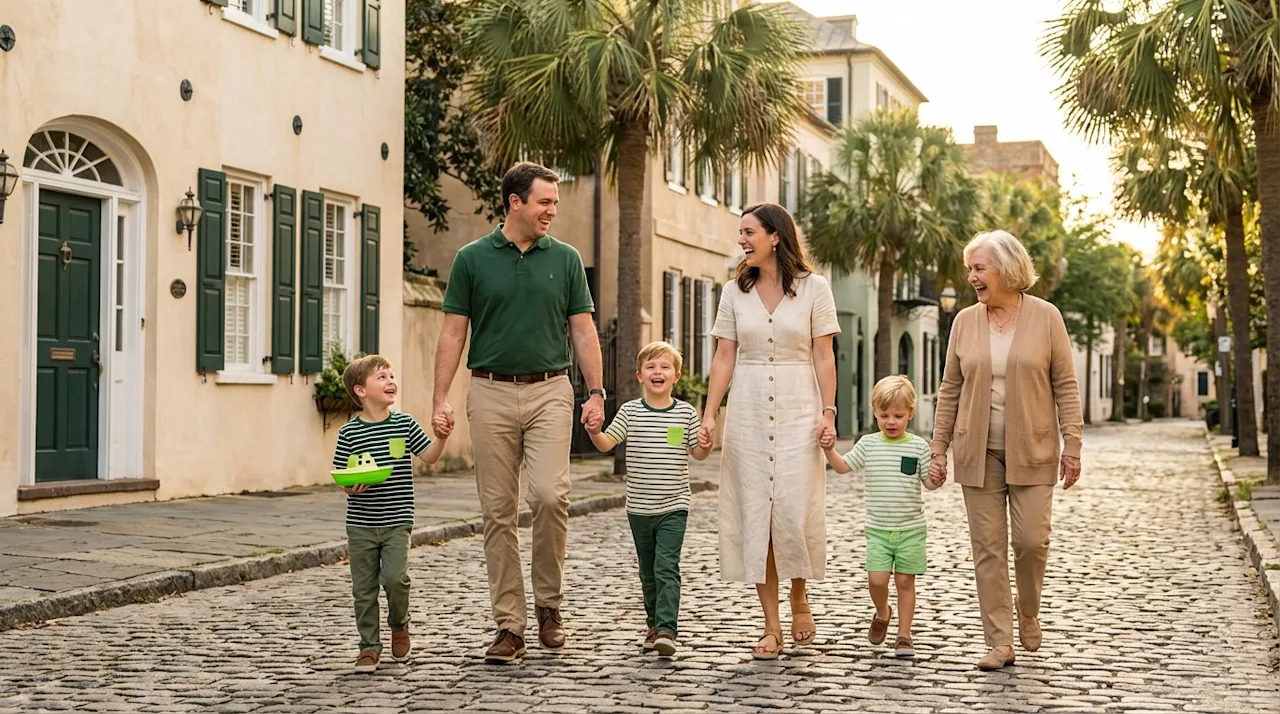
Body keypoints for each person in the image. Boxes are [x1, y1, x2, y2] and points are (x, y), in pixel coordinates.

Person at [432, 162, 606, 664]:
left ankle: (549, 605)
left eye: (555, 201)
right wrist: (440, 398)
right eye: (545, 201)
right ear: (515, 202)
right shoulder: (471, 259)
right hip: (489, 390)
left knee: (551, 496)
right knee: (497, 511)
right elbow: (451, 334)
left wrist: (596, 392)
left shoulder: (567, 259)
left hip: (551, 389)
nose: (553, 209)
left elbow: (583, 331)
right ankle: (509, 625)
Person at [928, 230, 1083, 671]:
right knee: (989, 550)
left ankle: (1028, 609)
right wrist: (939, 449)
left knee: (1033, 541)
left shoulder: (1046, 317)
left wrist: (1072, 444)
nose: (972, 277)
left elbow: (1065, 385)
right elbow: (950, 388)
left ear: (1007, 269)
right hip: (977, 451)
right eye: (970, 270)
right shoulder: (964, 321)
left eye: (979, 268)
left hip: (1033, 447)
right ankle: (999, 641)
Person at [697, 202, 839, 660]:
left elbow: (823, 355)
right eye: (740, 233)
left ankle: (800, 597)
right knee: (758, 516)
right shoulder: (733, 292)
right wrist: (710, 414)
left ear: (774, 236)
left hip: (801, 406)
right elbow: (724, 357)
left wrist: (828, 412)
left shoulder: (814, 288)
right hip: (750, 409)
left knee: (793, 511)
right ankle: (771, 625)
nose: (741, 240)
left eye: (748, 231)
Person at [585, 341, 710, 658]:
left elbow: (697, 452)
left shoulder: (685, 414)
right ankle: (653, 624)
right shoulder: (630, 412)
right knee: (648, 570)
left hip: (674, 506)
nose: (658, 372)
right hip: (639, 509)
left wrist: (707, 443)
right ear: (640, 375)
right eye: (651, 367)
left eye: (665, 366)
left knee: (667, 566)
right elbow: (606, 443)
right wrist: (593, 430)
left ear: (676, 376)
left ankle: (667, 629)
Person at [332, 354, 450, 673]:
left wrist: (441, 436)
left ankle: (400, 624)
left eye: (391, 375)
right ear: (360, 390)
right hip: (361, 524)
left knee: (396, 579)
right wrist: (350, 487)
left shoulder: (405, 423)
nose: (390, 381)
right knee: (364, 588)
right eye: (381, 377)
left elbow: (430, 457)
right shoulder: (349, 433)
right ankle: (368, 647)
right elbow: (342, 474)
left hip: (398, 519)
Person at [821, 375, 941, 658]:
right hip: (877, 529)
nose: (891, 421)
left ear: (910, 413)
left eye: (898, 416)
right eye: (884, 415)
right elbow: (843, 467)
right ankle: (882, 611)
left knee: (904, 582)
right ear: (875, 412)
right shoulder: (868, 444)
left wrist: (938, 475)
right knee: (876, 580)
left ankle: (904, 634)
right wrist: (829, 450)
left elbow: (929, 484)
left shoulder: (918, 447)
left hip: (911, 529)